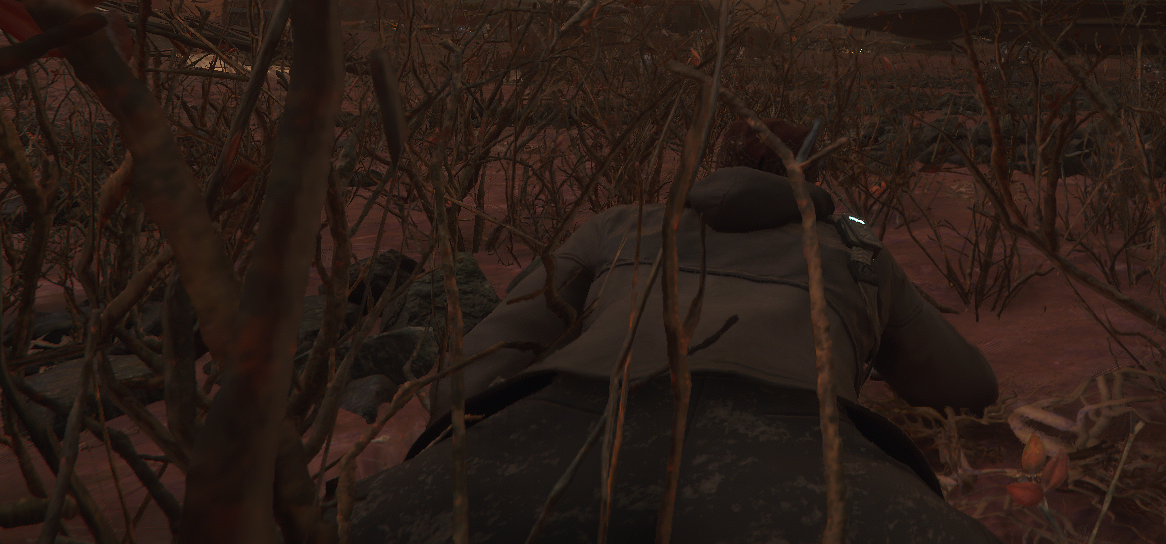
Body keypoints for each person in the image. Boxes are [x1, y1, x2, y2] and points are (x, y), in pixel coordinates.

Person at [346, 120, 1001, 543]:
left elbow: (484, 358)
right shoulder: (856, 246)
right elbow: (965, 386)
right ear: (809, 174)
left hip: (559, 425)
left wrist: (447, 449)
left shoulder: (624, 222)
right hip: (797, 447)